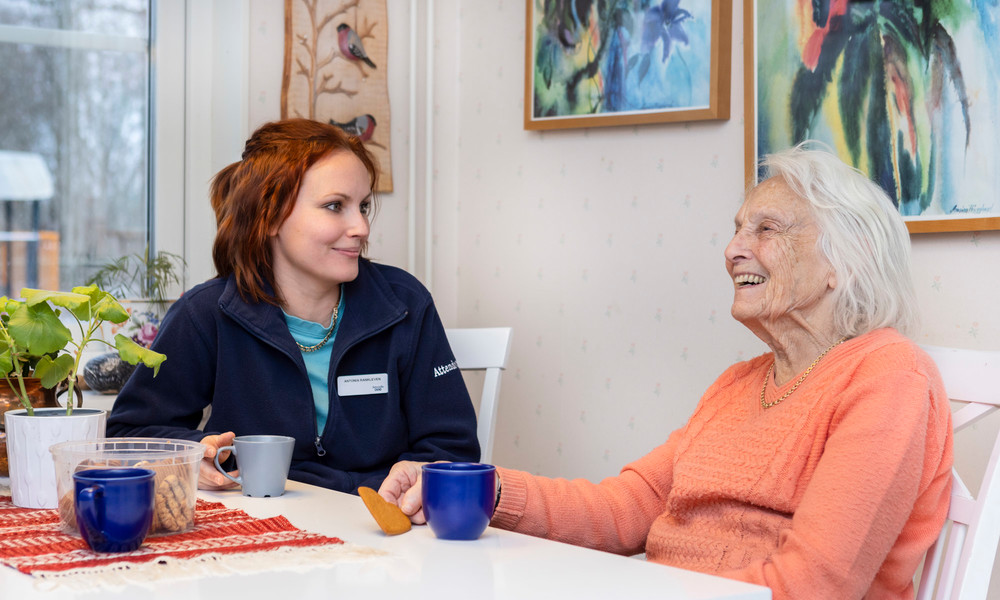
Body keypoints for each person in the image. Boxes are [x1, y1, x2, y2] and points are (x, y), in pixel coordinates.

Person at [378, 144, 953, 599]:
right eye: (737, 228)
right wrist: (479, 486)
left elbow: (814, 585)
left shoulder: (888, 377)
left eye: (766, 229)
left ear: (845, 261)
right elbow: (623, 509)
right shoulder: (738, 384)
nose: (732, 249)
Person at [107, 118, 480, 494]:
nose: (362, 227)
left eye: (363, 206)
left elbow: (453, 448)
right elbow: (128, 434)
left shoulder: (406, 304)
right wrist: (194, 455)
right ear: (270, 217)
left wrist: (415, 476)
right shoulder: (205, 313)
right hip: (263, 515)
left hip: (378, 516)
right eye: (335, 206)